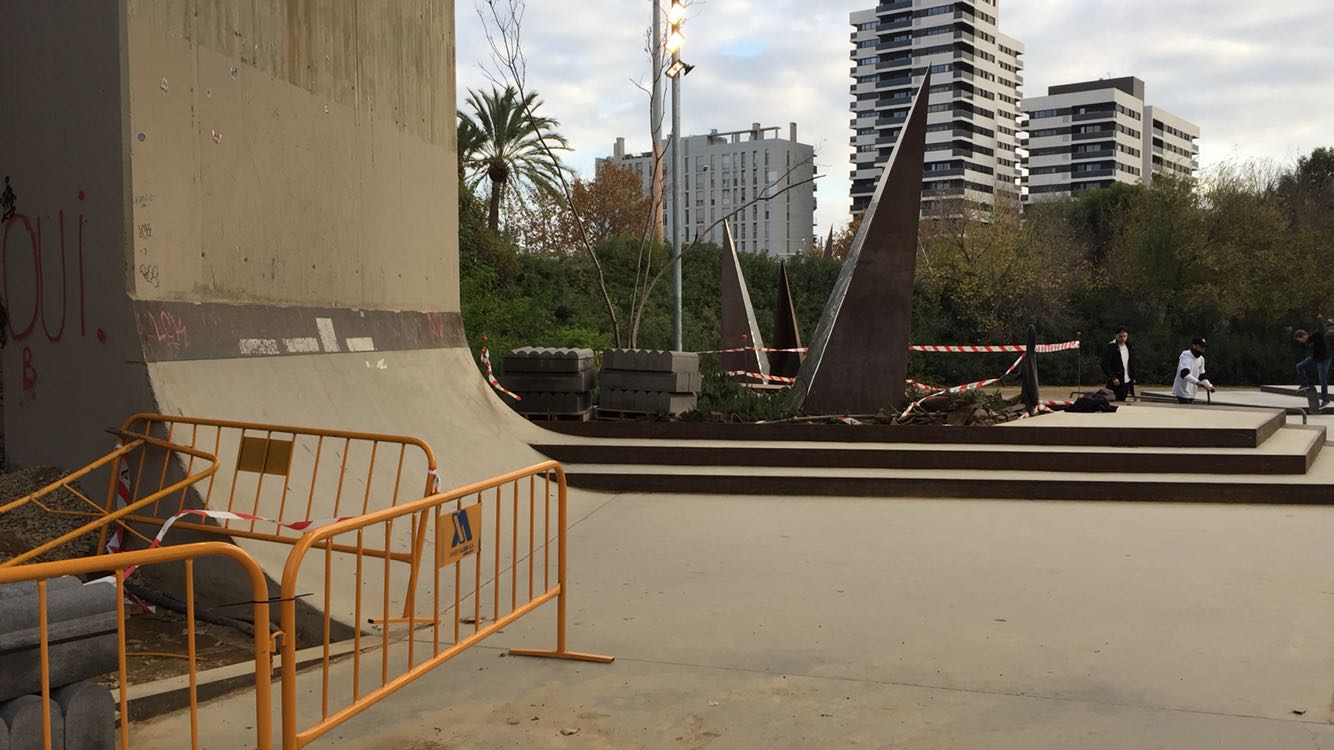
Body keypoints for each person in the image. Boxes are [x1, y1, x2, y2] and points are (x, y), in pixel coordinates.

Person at [1294, 321, 1329, 412]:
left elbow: (1321, 329)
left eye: (1300, 340)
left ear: (1304, 336)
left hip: (1324, 359)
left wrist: (1321, 319)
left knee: (1322, 379)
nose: (1300, 342)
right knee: (1299, 366)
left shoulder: (1316, 335)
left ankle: (1325, 400)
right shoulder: (1308, 342)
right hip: (1315, 358)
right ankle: (1304, 384)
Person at [1172, 337, 1215, 404]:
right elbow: (1184, 374)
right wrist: (1197, 382)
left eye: (1204, 347)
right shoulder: (1185, 356)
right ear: (1194, 346)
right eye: (1201, 347)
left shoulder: (1201, 359)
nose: (1203, 349)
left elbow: (1202, 376)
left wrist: (1209, 386)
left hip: (1192, 391)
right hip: (1182, 391)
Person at [1099, 327, 1136, 401]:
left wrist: (1133, 376)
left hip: (1127, 380)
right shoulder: (1112, 347)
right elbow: (1104, 364)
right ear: (1116, 336)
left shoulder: (1128, 346)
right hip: (1116, 381)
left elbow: (1130, 363)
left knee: (1123, 400)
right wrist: (1113, 377)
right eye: (1120, 336)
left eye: (1125, 336)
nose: (1123, 338)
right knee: (1113, 400)